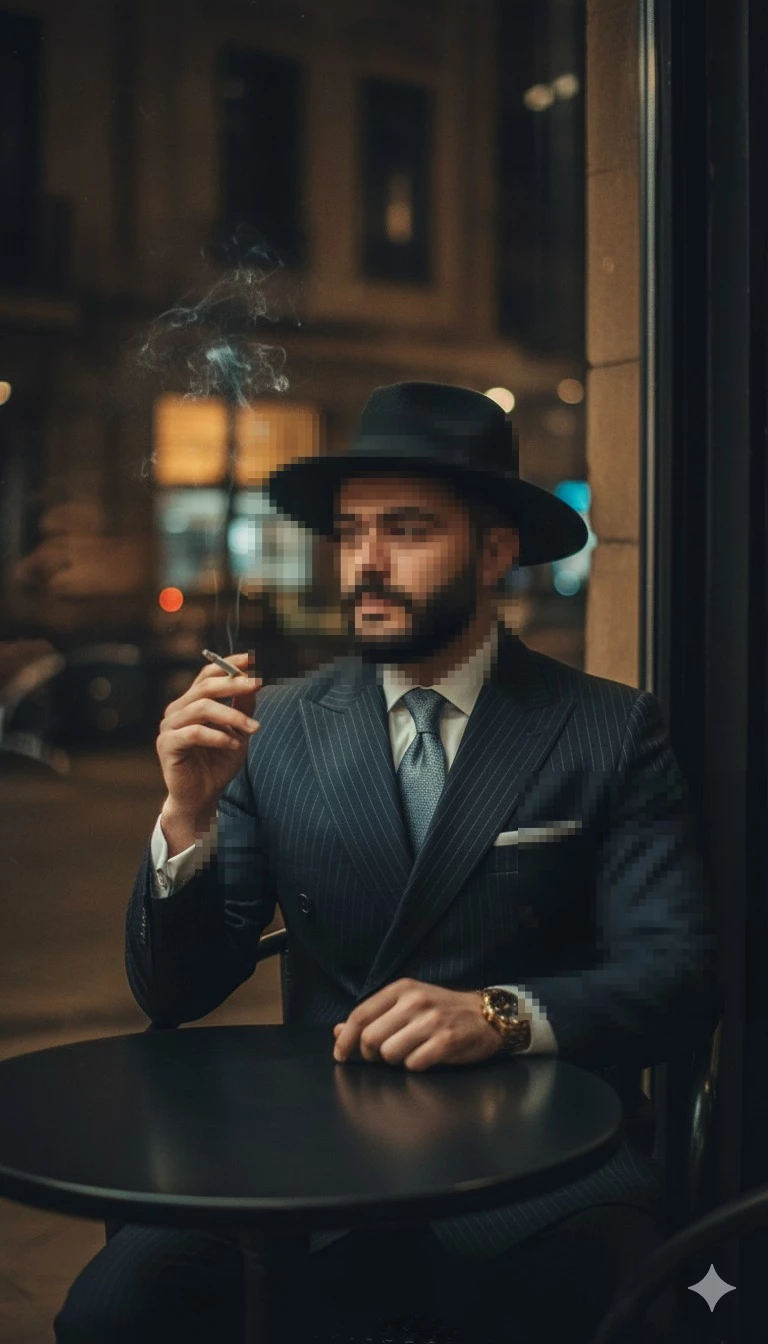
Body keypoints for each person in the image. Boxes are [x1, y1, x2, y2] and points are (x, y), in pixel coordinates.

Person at [55, 382, 714, 1344]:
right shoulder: (277, 729)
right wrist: (186, 815)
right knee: (114, 1309)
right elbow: (178, 988)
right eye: (350, 532)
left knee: (654, 1313)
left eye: (407, 530)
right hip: (318, 1162)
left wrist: (501, 1015)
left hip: (537, 1167)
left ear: (496, 551)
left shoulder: (606, 729)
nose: (365, 562)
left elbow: (677, 973)